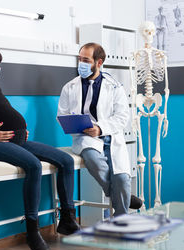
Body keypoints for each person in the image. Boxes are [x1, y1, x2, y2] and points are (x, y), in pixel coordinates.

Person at [0, 46, 80, 250]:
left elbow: (5, 114)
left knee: (65, 160)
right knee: (33, 165)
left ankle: (67, 219)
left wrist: (21, 130)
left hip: (18, 141)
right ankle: (32, 231)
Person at [57, 43, 142, 216]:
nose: (81, 63)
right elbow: (62, 115)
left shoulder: (115, 86)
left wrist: (100, 128)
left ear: (99, 62)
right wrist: (77, 125)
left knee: (122, 177)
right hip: (85, 138)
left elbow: (122, 117)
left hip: (111, 136)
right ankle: (121, 197)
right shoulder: (69, 87)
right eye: (79, 59)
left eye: (86, 60)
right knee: (94, 161)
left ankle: (120, 221)